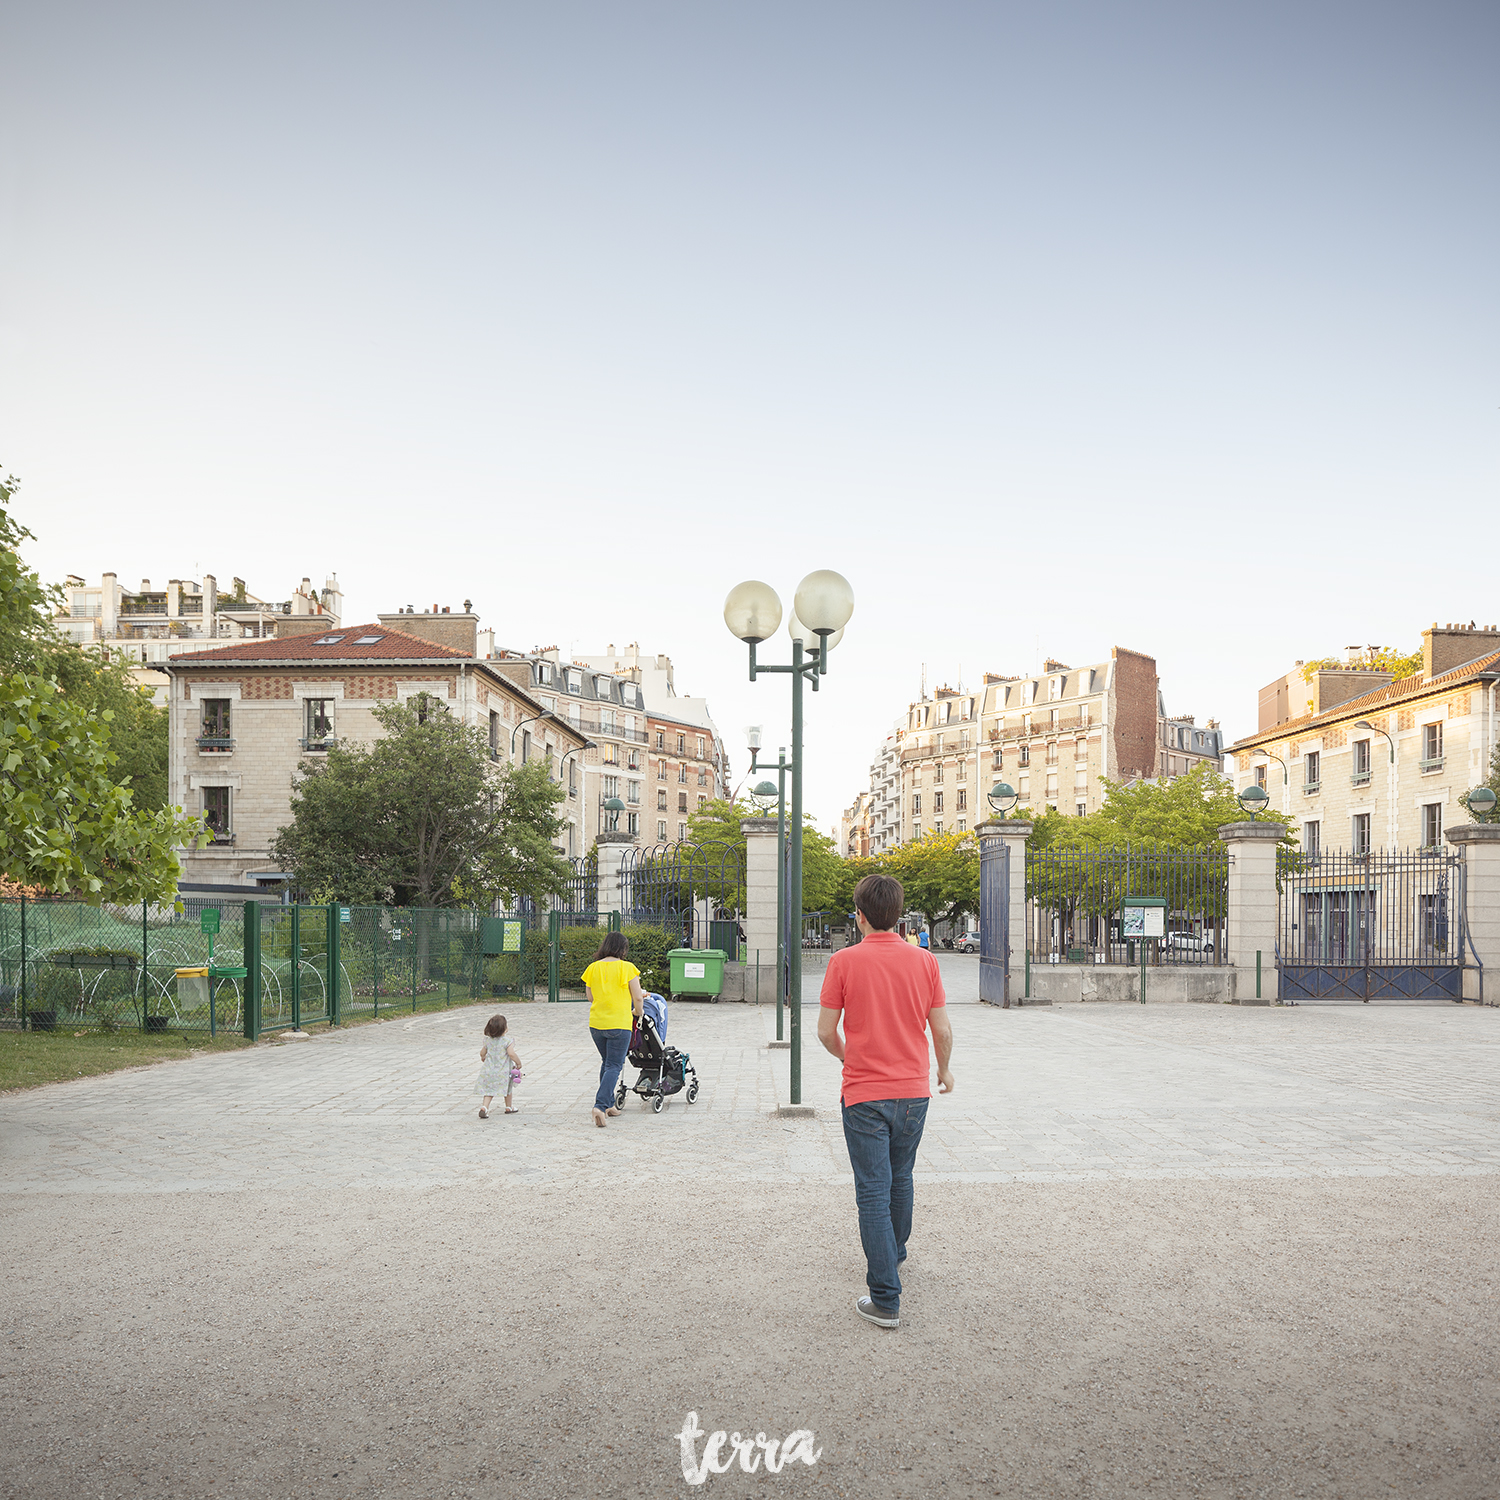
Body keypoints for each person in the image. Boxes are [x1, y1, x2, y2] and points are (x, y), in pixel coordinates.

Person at [817, 873, 952, 1330]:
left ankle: (886, 1298)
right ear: (898, 916)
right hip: (914, 1091)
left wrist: (849, 1056)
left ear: (859, 915)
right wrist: (944, 1070)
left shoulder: (843, 961)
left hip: (864, 1094)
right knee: (902, 1176)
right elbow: (942, 1029)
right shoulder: (925, 961)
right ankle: (894, 1252)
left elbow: (824, 1031)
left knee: (872, 1189)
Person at [580, 932, 645, 1129]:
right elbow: (638, 997)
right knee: (614, 1065)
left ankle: (608, 1105)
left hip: (596, 1024)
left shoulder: (592, 968)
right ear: (622, 949)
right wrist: (638, 1012)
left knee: (607, 1063)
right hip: (619, 1024)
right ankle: (599, 1106)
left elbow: (590, 997)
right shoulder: (627, 968)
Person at [476, 1014, 521, 1119]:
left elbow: (482, 1052)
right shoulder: (507, 1041)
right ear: (504, 1029)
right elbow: (511, 1054)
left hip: (489, 1070)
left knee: (489, 1091)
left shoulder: (488, 1041)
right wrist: (518, 1063)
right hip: (503, 1071)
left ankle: (484, 1107)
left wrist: (483, 1057)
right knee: (508, 1088)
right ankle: (509, 1107)